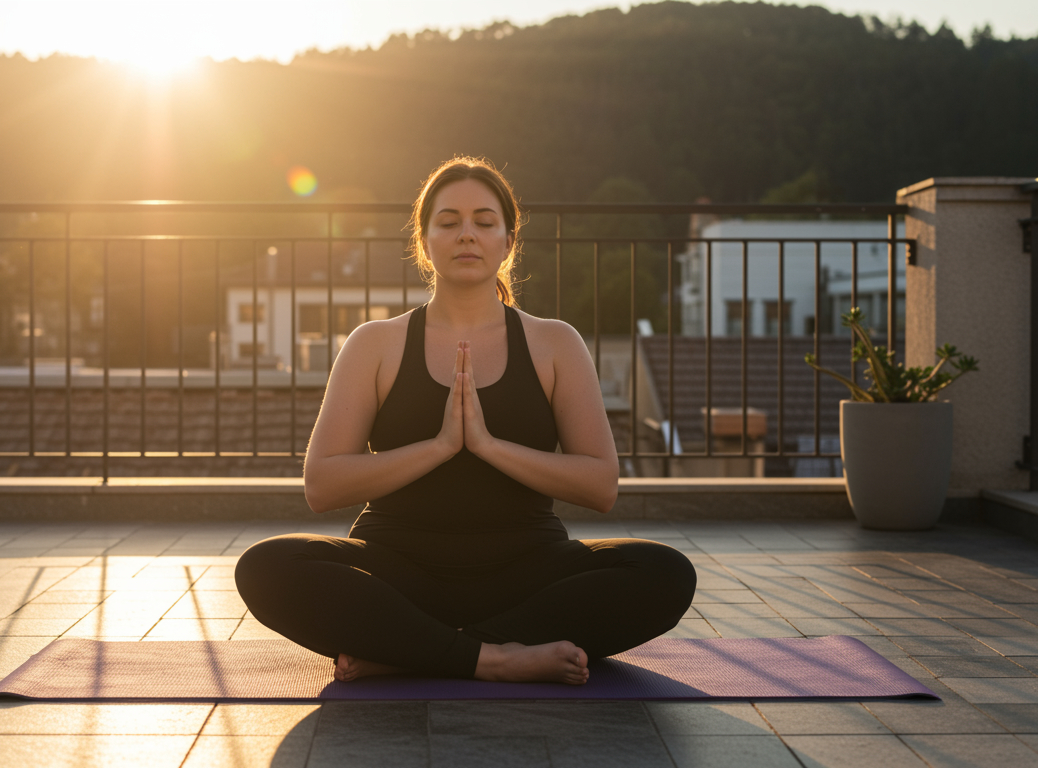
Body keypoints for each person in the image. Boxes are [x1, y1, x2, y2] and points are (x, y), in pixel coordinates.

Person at [234, 157, 696, 685]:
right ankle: (496, 657)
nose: (466, 235)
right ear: (424, 241)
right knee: (265, 566)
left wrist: (488, 445)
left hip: (528, 568)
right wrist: (439, 445)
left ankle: (413, 651)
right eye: (448, 222)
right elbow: (322, 484)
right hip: (397, 567)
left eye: (484, 221)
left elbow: (601, 484)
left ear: (508, 240)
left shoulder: (554, 343)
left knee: (665, 572)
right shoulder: (375, 344)